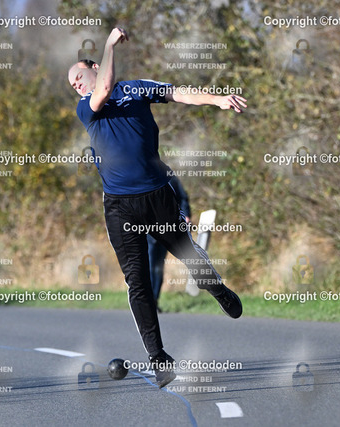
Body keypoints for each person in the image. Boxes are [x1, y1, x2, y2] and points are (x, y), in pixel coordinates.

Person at [68, 27, 246, 388]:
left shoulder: (136, 88)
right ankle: (159, 358)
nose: (76, 85)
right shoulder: (87, 107)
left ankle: (217, 289)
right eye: (72, 84)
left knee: (189, 256)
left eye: (79, 76)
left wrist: (217, 100)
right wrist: (109, 44)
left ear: (95, 67)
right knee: (137, 281)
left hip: (158, 196)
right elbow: (103, 89)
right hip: (120, 207)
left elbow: (178, 93)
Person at [148, 175, 191, 311]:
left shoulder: (171, 178)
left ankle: (154, 300)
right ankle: (147, 302)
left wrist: (185, 215)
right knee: (148, 265)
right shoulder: (143, 177)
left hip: (167, 230)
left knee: (158, 267)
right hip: (147, 230)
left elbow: (183, 198)